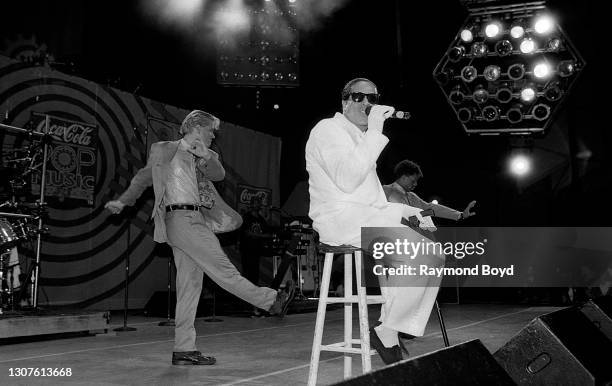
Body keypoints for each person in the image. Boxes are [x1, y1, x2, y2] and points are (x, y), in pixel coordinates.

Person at [105, 110, 295, 366]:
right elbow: (142, 178)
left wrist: (205, 156)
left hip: (195, 219)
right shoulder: (164, 149)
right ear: (196, 126)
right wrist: (123, 201)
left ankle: (183, 349)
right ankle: (271, 300)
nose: (213, 135)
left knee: (189, 288)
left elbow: (219, 175)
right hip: (180, 220)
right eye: (211, 130)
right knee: (224, 270)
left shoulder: (208, 155)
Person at [305, 78, 446, 364]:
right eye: (359, 97)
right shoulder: (327, 129)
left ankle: (390, 329)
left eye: (373, 98)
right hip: (341, 219)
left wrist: (410, 213)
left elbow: (372, 200)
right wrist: (377, 131)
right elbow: (347, 180)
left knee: (434, 253)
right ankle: (389, 330)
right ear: (344, 101)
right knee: (422, 254)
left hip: (365, 216)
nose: (367, 104)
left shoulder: (359, 138)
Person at [383, 160, 476, 226]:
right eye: (413, 181)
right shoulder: (385, 190)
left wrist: (460, 215)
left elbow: (431, 209)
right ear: (404, 177)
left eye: (416, 181)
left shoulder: (411, 196)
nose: (415, 184)